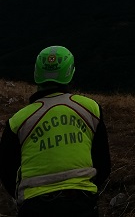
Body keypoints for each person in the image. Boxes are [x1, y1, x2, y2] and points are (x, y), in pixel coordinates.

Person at [0, 45, 111, 217]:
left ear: (36, 73)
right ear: (71, 72)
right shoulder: (90, 109)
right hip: (80, 200)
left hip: (35, 205)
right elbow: (103, 163)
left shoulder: (18, 121)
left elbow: (6, 171)